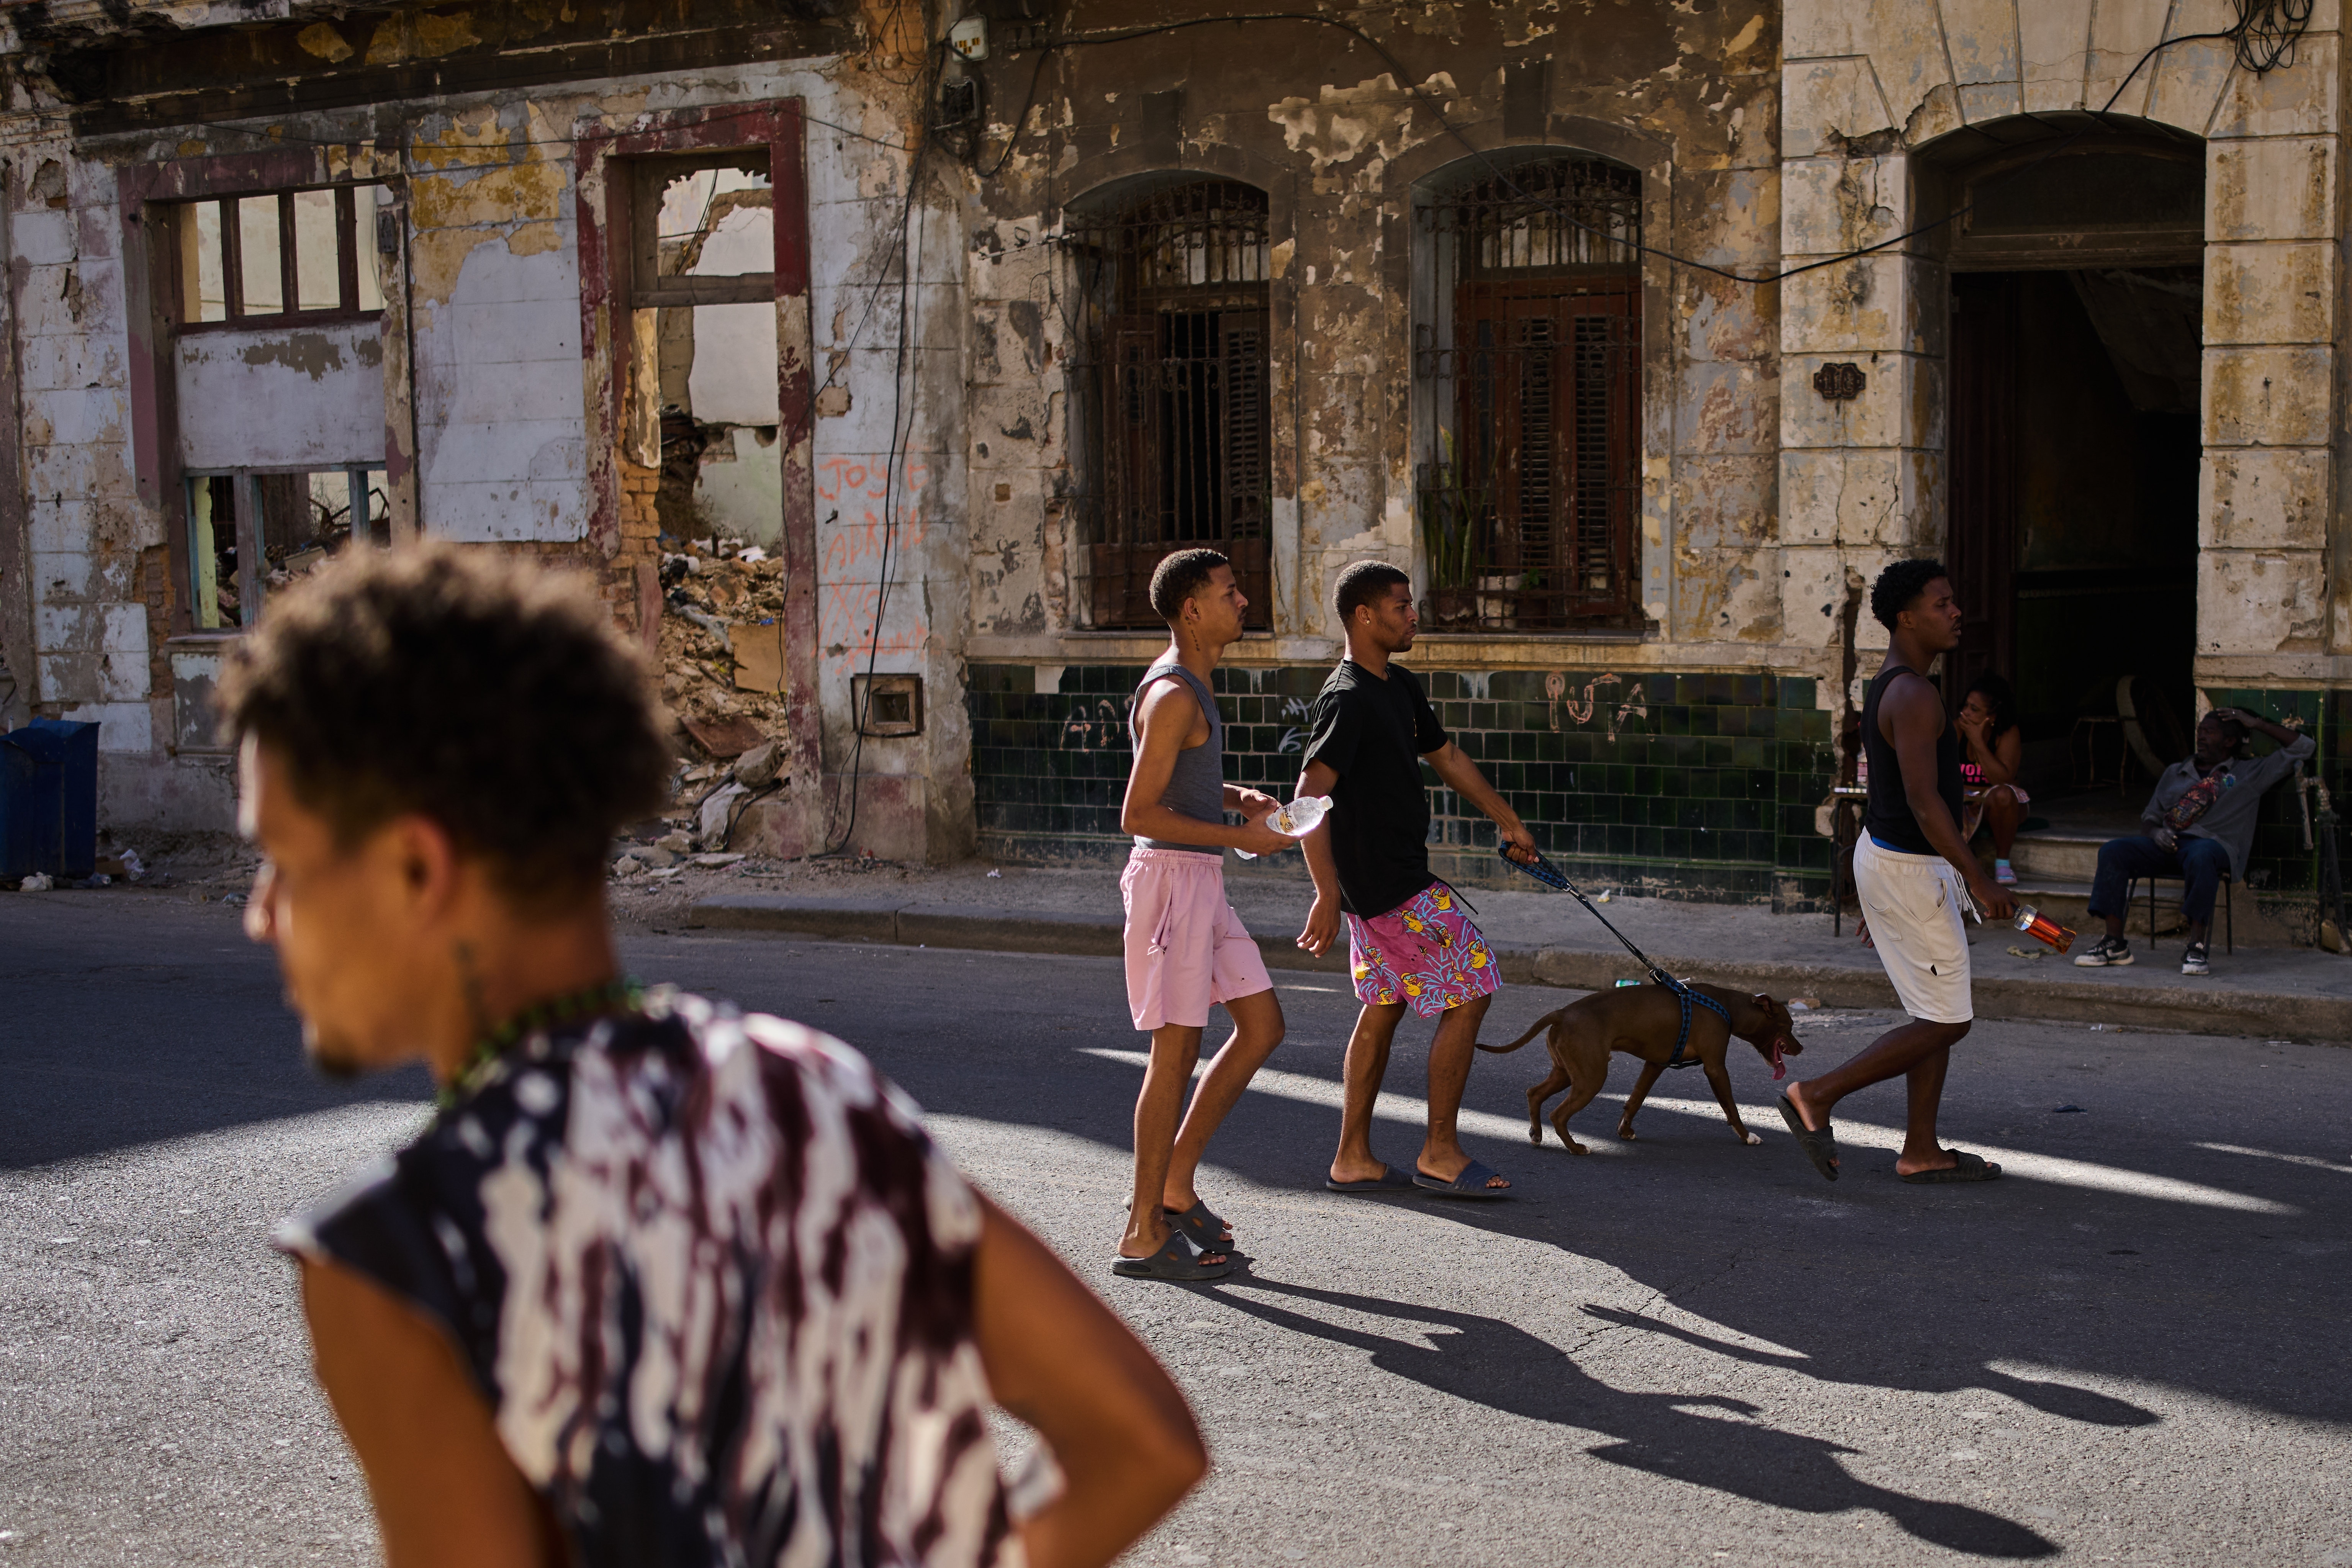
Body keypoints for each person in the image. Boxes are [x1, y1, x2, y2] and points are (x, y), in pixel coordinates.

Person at [228, 544, 1205, 1568]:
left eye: (283, 863)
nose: (261, 916)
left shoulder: (402, 1253)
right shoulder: (807, 1088)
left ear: (418, 864)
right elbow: (1139, 1442)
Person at [1296, 560, 1536, 1200]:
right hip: (1387, 887)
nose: (1413, 615)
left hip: (1388, 881)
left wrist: (1508, 820)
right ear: (1364, 616)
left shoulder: (1396, 685)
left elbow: (1447, 755)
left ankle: (1352, 1156)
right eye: (1401, 606)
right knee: (1471, 986)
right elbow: (1306, 797)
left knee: (1384, 1006)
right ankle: (1439, 1150)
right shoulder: (1346, 697)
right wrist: (1325, 892)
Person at [1780, 559, 2016, 1185]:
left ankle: (1920, 1148)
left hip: (1896, 864)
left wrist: (1879, 898)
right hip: (1910, 867)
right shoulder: (1913, 693)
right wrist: (1978, 876)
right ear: (1907, 617)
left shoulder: (1890, 685)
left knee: (1931, 1006)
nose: (1956, 611)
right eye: (1942, 603)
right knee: (1947, 1019)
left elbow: (1895, 794)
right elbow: (1919, 799)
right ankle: (1817, 1095)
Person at [1115, 548, 1294, 1280]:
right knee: (1175, 1052)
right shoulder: (1174, 695)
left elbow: (1179, 783)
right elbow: (1138, 812)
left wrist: (1236, 795)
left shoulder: (1192, 685)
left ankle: (1174, 1183)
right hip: (1171, 883)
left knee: (1262, 1024)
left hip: (1200, 879)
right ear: (1193, 608)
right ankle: (1140, 1229)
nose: (1242, 599)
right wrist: (1243, 836)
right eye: (1229, 591)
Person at [2073, 705, 2313, 975]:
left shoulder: (2247, 775)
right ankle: (2114, 944)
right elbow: (2149, 817)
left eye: (2209, 733)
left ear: (2229, 741)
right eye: (2199, 732)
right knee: (2113, 851)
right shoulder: (2176, 772)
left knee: (2201, 854)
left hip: (2212, 848)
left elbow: (2303, 748)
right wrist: (2155, 833)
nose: (2200, 737)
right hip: (2167, 845)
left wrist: (2255, 724)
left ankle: (2196, 947)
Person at [1955, 670, 2027, 885]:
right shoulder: (1955, 729)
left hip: (1998, 804)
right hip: (1966, 802)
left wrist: (1977, 741)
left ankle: (2002, 864)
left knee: (2003, 795)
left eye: (1974, 710)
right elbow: (1942, 774)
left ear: (1992, 716)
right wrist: (1970, 797)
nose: (1965, 713)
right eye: (1966, 706)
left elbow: (2002, 780)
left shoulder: (2007, 733)